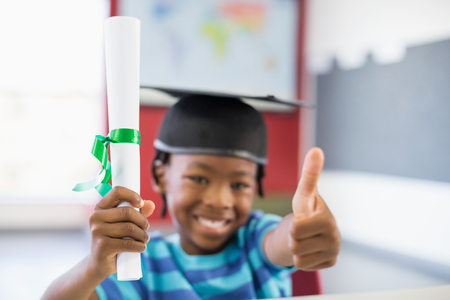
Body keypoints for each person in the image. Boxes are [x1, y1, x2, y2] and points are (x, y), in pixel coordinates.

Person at [42, 91, 341, 300]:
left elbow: (280, 240)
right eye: (198, 178)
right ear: (161, 176)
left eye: (239, 185)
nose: (218, 200)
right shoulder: (144, 263)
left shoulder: (254, 239)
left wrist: (300, 234)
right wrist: (94, 267)